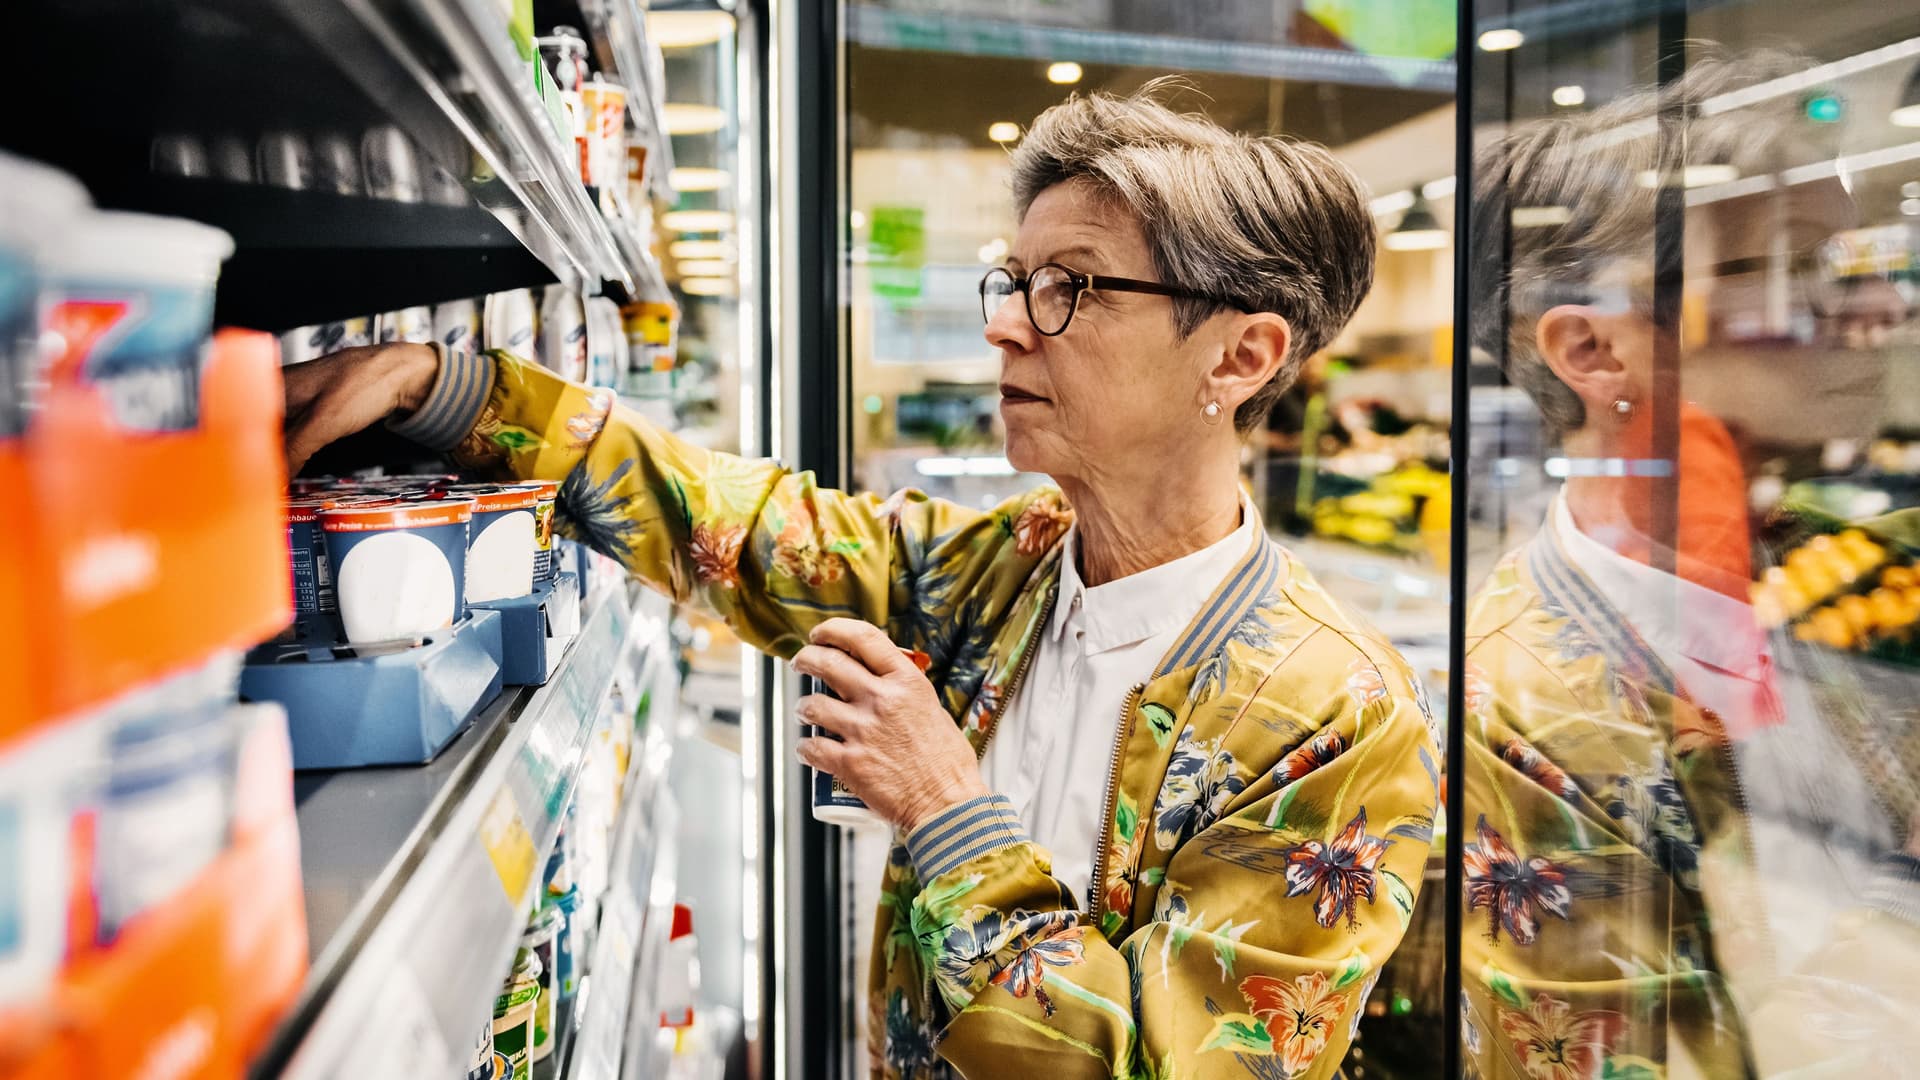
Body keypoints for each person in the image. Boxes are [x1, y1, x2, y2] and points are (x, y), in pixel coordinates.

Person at [284, 87, 1438, 1080]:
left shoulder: (1341, 721)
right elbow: (753, 532)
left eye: (1072, 289)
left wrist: (946, 811)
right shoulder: (1015, 561)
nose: (1004, 328)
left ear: (1241, 357)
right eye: (1014, 279)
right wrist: (450, 387)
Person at [1460, 53, 1920, 1077]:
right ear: (1591, 351)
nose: (1877, 306)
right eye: (1799, 265)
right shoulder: (1528, 703)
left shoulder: (1822, 569)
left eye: (1859, 260)